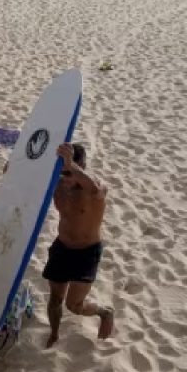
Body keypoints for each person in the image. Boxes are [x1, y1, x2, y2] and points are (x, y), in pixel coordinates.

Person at [43, 143, 114, 348]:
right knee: (55, 298)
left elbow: (97, 189)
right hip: (62, 247)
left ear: (82, 164)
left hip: (86, 252)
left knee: (74, 305)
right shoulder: (59, 184)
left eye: (71, 168)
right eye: (64, 170)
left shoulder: (94, 187)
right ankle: (54, 334)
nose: (67, 175)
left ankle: (104, 312)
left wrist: (72, 167)